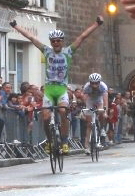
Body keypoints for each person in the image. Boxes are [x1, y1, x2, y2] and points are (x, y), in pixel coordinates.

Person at [9, 15, 104, 154]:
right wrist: (16, 26)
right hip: (48, 89)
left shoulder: (68, 52)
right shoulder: (47, 51)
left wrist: (96, 24)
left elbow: (82, 37)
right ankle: (49, 140)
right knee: (46, 117)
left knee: (63, 112)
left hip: (61, 89)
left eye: (58, 41)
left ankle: (64, 141)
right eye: (53, 41)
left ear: (62, 41)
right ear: (51, 42)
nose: (56, 43)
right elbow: (31, 38)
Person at [82, 72, 108, 154]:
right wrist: (85, 110)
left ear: (99, 82)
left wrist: (105, 111)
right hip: (90, 100)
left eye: (96, 83)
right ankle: (86, 146)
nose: (94, 85)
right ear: (90, 82)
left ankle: (102, 128)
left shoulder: (103, 87)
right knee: (89, 124)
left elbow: (105, 100)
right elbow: (85, 99)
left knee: (102, 112)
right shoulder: (86, 87)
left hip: (99, 100)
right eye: (92, 83)